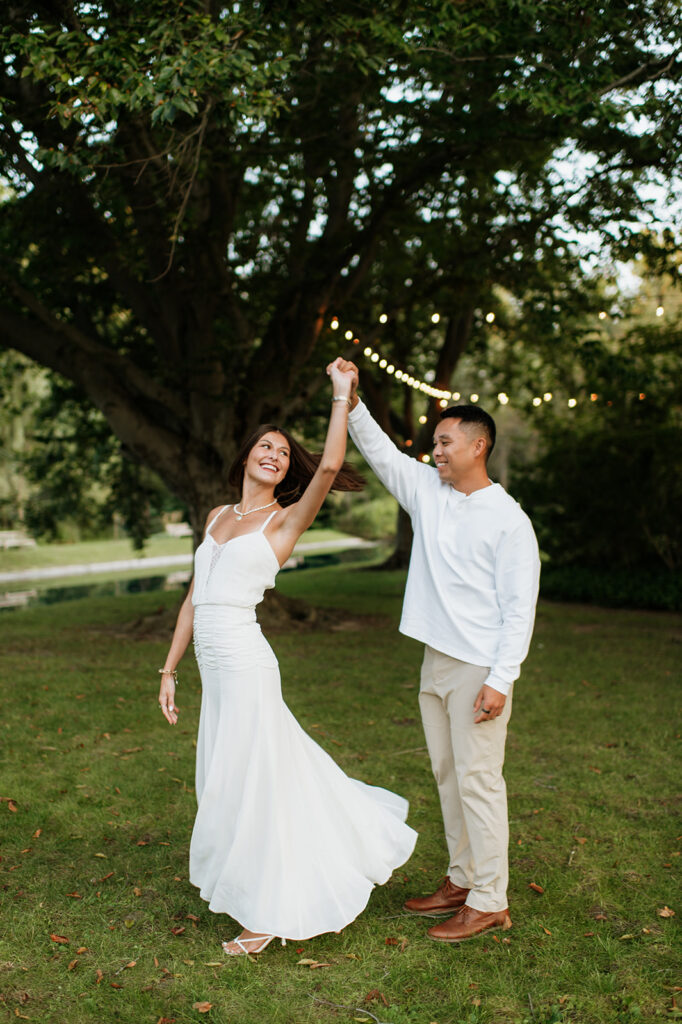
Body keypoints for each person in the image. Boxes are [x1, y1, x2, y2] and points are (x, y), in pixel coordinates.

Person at [157, 358, 417, 957]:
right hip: (213, 672)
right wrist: (169, 670)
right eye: (265, 446)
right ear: (247, 455)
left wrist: (342, 394)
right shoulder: (218, 517)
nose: (274, 454)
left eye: (282, 451)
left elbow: (327, 466)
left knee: (257, 783)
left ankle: (267, 911)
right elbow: (194, 597)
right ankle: (262, 876)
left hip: (247, 665)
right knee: (236, 779)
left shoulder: (283, 522)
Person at [342, 360, 540, 944]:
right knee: (448, 776)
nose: (436, 451)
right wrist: (352, 402)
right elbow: (382, 454)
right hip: (436, 660)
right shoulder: (428, 491)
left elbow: (519, 608)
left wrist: (501, 679)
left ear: (479, 446)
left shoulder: (509, 521)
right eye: (434, 443)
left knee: (479, 780)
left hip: (479, 666)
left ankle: (490, 900)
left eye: (446, 442)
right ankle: (461, 879)